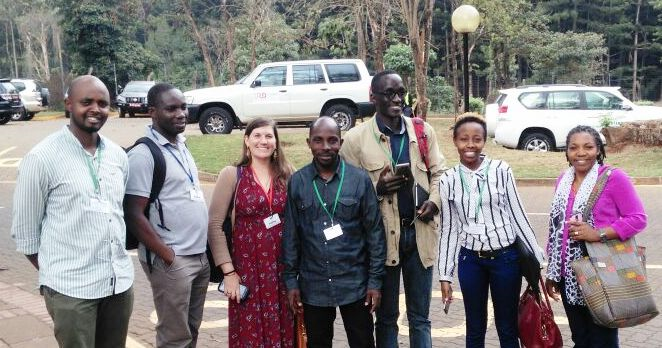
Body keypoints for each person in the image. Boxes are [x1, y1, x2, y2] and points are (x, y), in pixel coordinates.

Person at [11, 75, 134, 348]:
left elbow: (117, 212)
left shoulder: (117, 156)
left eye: (103, 103)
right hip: (71, 292)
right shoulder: (42, 158)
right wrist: (60, 277)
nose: (95, 109)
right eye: (86, 102)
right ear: (68, 104)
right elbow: (26, 236)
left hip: (118, 286)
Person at [339, 70, 444, 348]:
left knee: (420, 318)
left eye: (401, 93)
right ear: (373, 97)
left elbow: (440, 174)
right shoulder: (355, 140)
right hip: (382, 242)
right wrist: (377, 190)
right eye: (390, 93)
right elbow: (345, 195)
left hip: (419, 235)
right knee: (386, 319)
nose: (397, 99)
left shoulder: (422, 131)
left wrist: (434, 201)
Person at [437, 115, 545, 348]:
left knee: (507, 326)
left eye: (477, 139)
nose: (470, 145)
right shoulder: (448, 180)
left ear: (484, 141)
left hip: (505, 259)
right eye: (464, 139)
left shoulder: (501, 170)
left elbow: (518, 215)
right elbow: (449, 228)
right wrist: (445, 274)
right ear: (455, 141)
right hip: (470, 261)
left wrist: (537, 258)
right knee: (474, 326)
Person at [282, 116, 386, 347]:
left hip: (355, 284)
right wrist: (291, 282)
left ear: (340, 142)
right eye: (318, 141)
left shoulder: (359, 180)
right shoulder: (298, 182)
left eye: (332, 140)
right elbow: (291, 236)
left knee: (363, 342)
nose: (326, 147)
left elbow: (375, 234)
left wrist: (375, 282)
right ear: (309, 143)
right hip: (313, 285)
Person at [124, 83, 210, 348]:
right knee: (174, 336)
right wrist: (167, 256)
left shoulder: (180, 144)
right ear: (153, 112)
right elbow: (133, 213)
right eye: (171, 108)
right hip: (173, 261)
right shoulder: (144, 154)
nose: (180, 113)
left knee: (191, 330)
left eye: (183, 107)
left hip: (198, 256)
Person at [545, 125, 647, 348]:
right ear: (567, 152)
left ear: (599, 150)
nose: (581, 153)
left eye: (588, 147)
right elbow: (556, 230)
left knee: (603, 340)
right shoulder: (562, 181)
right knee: (580, 339)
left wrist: (597, 233)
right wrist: (553, 272)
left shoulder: (613, 178)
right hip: (569, 274)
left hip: (602, 273)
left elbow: (638, 218)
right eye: (574, 148)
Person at [208, 117, 295, 347]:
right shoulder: (232, 175)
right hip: (246, 271)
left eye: (269, 136)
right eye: (257, 135)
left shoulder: (288, 175)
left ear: (276, 142)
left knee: (285, 329)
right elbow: (215, 224)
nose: (263, 141)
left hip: (282, 271)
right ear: (247, 140)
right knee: (249, 335)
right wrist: (228, 273)